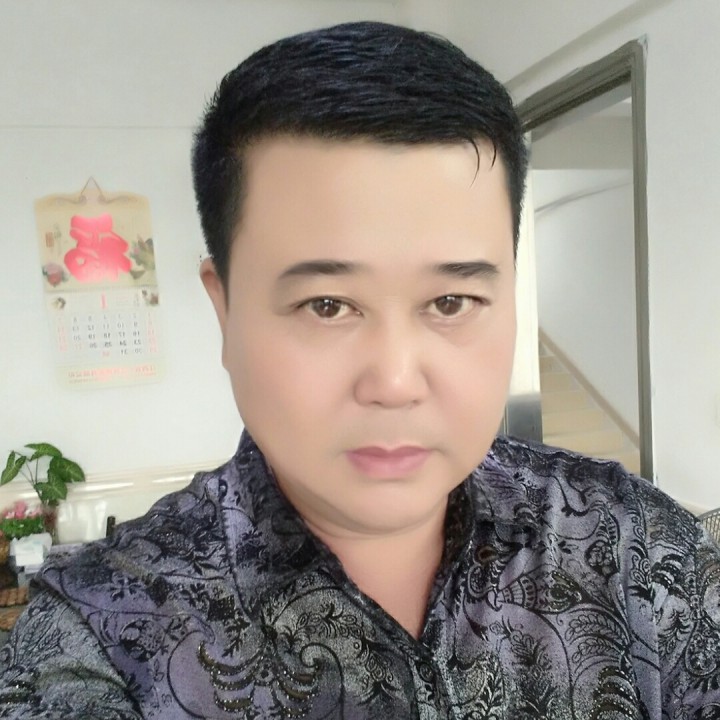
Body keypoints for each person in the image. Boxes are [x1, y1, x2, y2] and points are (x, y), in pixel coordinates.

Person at [1, 20, 719, 720]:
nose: (396, 382)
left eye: (450, 301)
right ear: (225, 310)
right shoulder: (99, 636)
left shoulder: (635, 547)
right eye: (327, 305)